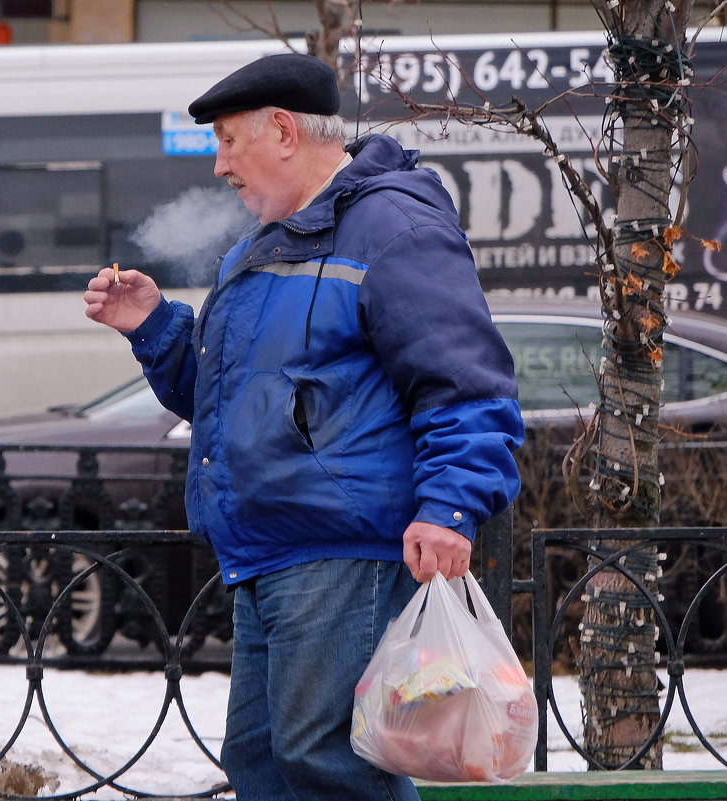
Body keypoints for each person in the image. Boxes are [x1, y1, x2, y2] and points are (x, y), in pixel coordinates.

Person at [83, 53, 524, 801]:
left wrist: (450, 505)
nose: (220, 166)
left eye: (228, 141)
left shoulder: (391, 224)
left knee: (324, 760)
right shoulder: (260, 245)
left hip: (340, 549)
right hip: (271, 551)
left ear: (283, 131)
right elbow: (236, 404)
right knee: (262, 761)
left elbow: (465, 384)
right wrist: (154, 328)